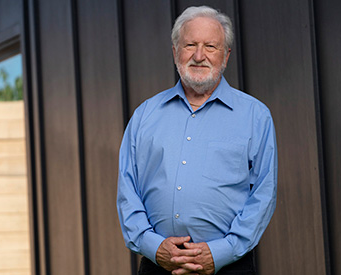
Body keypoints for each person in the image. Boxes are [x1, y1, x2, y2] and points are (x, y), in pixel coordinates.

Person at [117, 5, 277, 275]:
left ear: (225, 56)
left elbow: (264, 194)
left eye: (211, 47)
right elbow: (127, 190)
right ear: (175, 52)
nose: (199, 56)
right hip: (158, 266)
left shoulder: (255, 116)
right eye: (190, 44)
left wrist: (220, 253)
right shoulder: (145, 114)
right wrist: (153, 247)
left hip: (228, 268)